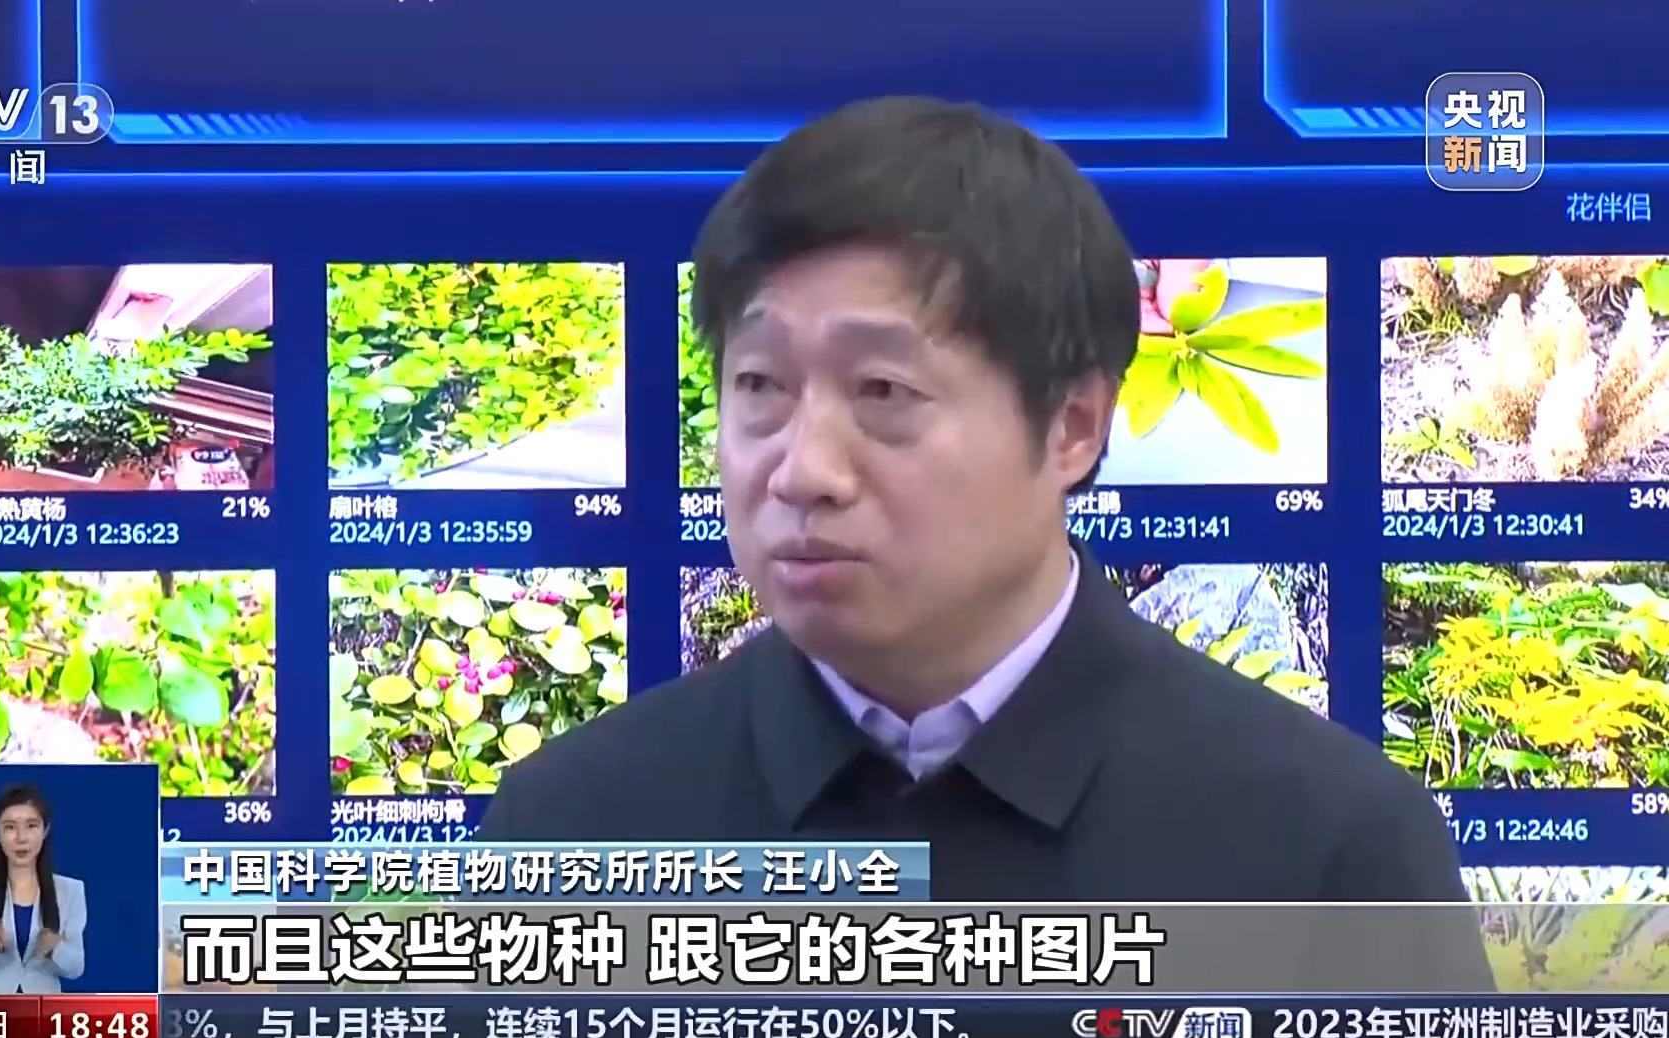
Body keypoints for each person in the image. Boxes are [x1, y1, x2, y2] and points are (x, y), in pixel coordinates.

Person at [477, 96, 1480, 922]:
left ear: (1073, 425)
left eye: (883, 391)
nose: (803, 471)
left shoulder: (1327, 850)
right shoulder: (571, 833)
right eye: (760, 387)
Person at [0, 783, 86, 993]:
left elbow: (76, 968)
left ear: (45, 830)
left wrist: (56, 948)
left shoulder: (70, 890)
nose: (21, 838)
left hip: (43, 1008)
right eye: (10, 827)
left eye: (31, 826)